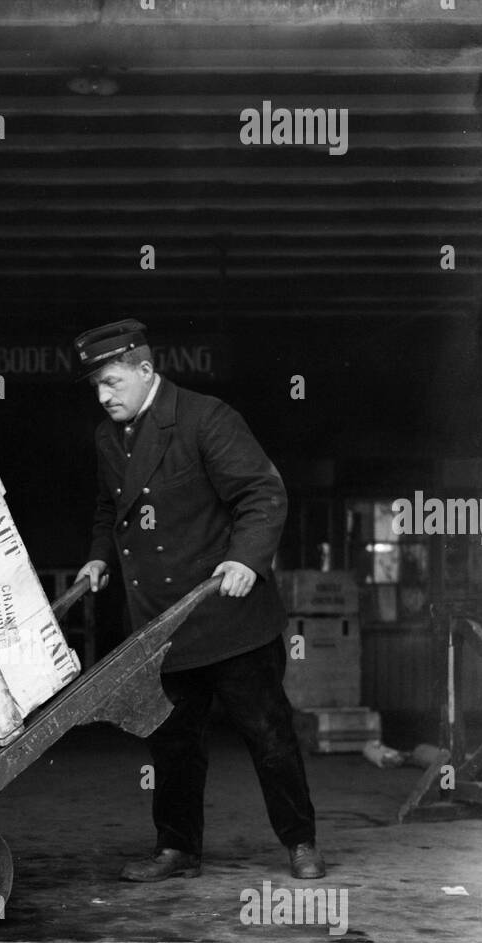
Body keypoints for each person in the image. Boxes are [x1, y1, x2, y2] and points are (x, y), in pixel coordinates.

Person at [73, 318, 325, 882]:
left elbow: (261, 492)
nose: (103, 395)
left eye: (113, 382)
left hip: (229, 615)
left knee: (269, 736)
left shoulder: (206, 418)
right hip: (162, 624)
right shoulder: (108, 437)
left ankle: (301, 843)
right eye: (96, 387)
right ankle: (177, 850)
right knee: (173, 743)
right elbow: (107, 509)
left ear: (145, 370)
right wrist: (99, 557)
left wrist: (245, 559)